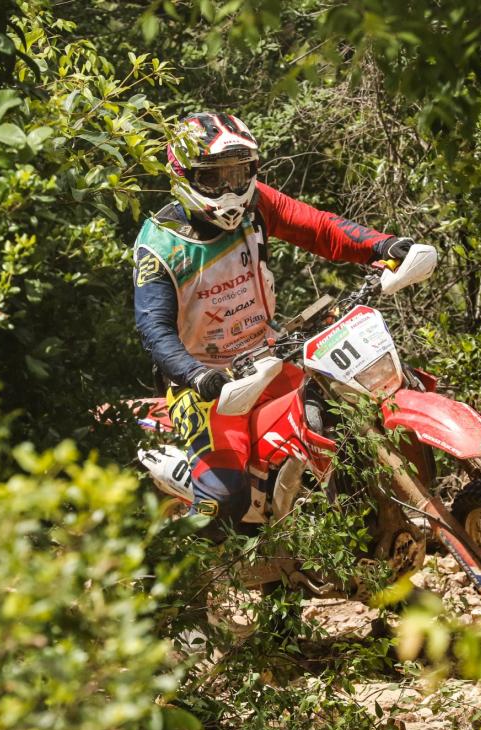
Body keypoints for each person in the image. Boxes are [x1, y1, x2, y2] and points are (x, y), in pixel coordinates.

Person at [133, 111, 414, 542]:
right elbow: (153, 329)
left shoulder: (257, 204)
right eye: (213, 177)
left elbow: (318, 227)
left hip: (270, 351)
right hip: (206, 385)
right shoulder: (159, 244)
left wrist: (384, 246)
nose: (230, 189)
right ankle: (170, 572)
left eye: (238, 173)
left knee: (352, 407)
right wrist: (198, 376)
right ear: (183, 175)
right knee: (225, 498)